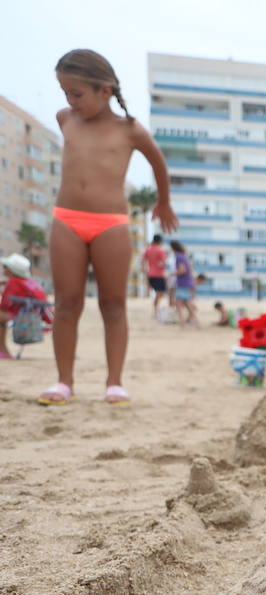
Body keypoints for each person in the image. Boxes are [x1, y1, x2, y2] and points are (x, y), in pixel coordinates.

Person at [38, 50, 176, 405]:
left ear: (105, 90)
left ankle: (114, 382)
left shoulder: (130, 130)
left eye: (77, 93)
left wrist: (163, 202)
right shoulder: (65, 118)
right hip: (66, 220)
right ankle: (64, 381)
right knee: (67, 303)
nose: (70, 101)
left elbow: (159, 163)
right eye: (65, 92)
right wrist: (70, 104)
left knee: (113, 304)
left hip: (111, 224)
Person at [1, 253, 51, 358]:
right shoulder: (27, 281)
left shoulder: (13, 283)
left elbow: (5, 306)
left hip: (26, 318)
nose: (3, 268)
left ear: (11, 270)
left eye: (5, 266)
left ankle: (3, 351)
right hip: (38, 316)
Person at [167, 240, 197, 327]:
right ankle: (196, 323)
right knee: (186, 304)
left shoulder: (179, 257)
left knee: (179, 304)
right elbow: (189, 270)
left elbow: (182, 270)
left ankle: (182, 323)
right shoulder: (184, 256)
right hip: (187, 282)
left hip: (182, 283)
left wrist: (171, 274)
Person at [141, 233, 168, 319]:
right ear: (160, 241)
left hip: (150, 274)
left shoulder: (148, 249)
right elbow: (163, 263)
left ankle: (156, 310)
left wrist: (145, 270)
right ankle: (156, 311)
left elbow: (143, 261)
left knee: (158, 293)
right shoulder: (160, 250)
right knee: (160, 293)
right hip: (159, 274)